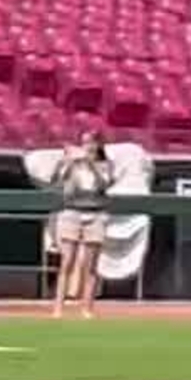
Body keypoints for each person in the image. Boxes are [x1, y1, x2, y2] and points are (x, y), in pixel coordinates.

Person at [51, 128, 115, 317]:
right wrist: (67, 162)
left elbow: (104, 184)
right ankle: (58, 307)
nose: (87, 146)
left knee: (90, 264)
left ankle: (87, 308)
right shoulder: (74, 164)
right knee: (67, 261)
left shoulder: (106, 164)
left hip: (95, 215)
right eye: (84, 142)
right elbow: (57, 180)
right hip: (72, 212)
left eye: (90, 142)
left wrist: (91, 165)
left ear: (98, 145)